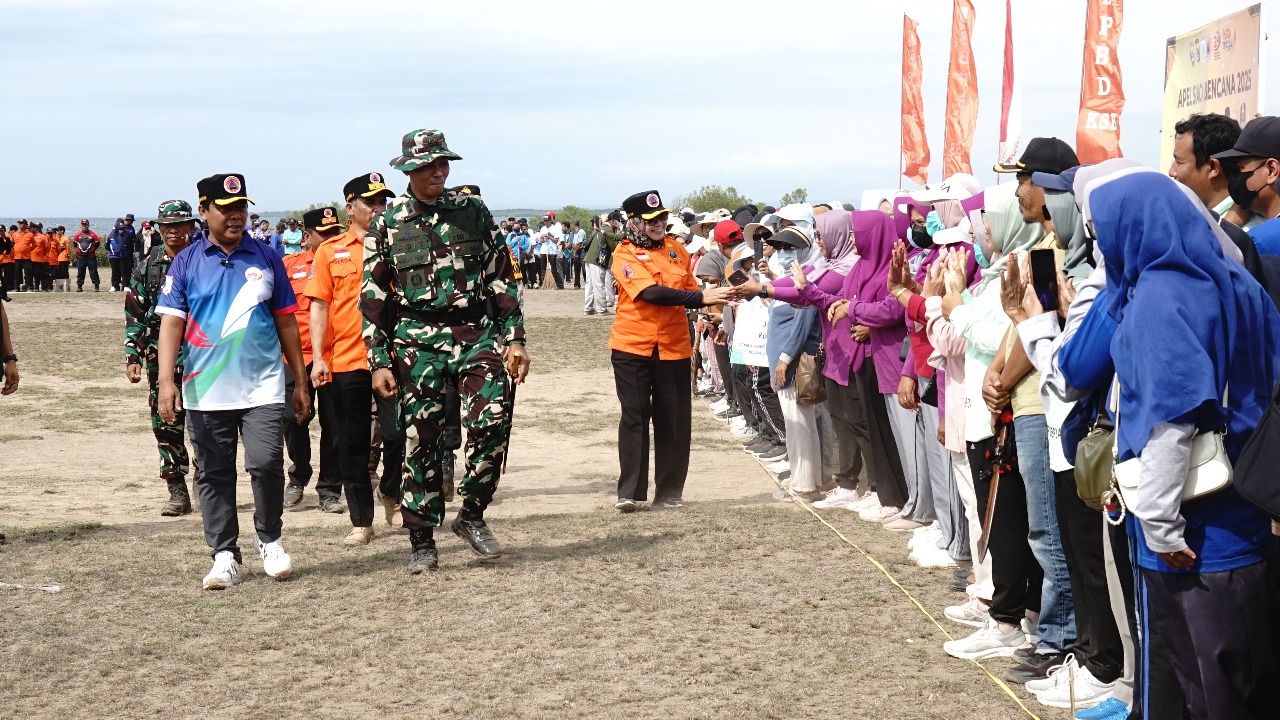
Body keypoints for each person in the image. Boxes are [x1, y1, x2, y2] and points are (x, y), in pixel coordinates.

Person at [1091, 171, 1280, 718]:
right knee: (1250, 685)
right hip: (1245, 511)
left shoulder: (1162, 297)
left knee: (1207, 688)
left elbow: (1171, 421)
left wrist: (1158, 523)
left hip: (1195, 535)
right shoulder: (1234, 279)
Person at [362, 128, 530, 573]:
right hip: (416, 341)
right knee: (422, 440)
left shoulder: (472, 211)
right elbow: (373, 294)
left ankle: (472, 513)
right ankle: (421, 538)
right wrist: (378, 361)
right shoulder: (388, 221)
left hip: (476, 333)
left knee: (493, 421)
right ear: (408, 169)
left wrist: (515, 338)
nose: (438, 172)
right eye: (428, 165)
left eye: (443, 163)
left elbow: (501, 275)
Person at [155, 173, 311, 590]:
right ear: (204, 211)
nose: (236, 215)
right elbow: (171, 324)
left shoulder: (267, 257)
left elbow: (287, 322)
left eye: (241, 207)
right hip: (206, 388)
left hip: (263, 385)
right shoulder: (186, 261)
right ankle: (224, 555)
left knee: (266, 462)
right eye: (225, 209)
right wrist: (166, 380)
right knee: (214, 473)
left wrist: (300, 380)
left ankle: (270, 540)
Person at [609, 190, 736, 512]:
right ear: (635, 221)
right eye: (651, 220)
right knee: (635, 416)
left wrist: (716, 306)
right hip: (633, 346)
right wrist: (700, 299)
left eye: (663, 218)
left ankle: (669, 492)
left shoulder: (676, 249)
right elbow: (650, 293)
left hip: (674, 346)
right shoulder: (624, 253)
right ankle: (629, 492)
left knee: (674, 419)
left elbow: (691, 291)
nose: (659, 224)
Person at [307, 175, 397, 545]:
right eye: (370, 202)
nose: (378, 209)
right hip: (345, 359)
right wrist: (318, 358)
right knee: (352, 444)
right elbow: (319, 306)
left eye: (382, 202)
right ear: (350, 207)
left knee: (399, 435)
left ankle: (390, 488)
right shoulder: (330, 251)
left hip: (392, 358)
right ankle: (362, 521)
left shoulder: (398, 244)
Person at [124, 200, 201, 516]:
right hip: (161, 360)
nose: (173, 231)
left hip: (202, 358)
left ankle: (205, 487)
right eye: (166, 226)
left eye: (179, 225)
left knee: (206, 425)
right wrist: (133, 355)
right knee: (166, 423)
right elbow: (135, 313)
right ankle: (177, 491)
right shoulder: (147, 267)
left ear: (191, 227)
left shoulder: (205, 261)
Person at [280, 209, 342, 514]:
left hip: (334, 357)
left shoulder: (345, 264)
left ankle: (329, 489)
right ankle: (298, 475)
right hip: (294, 357)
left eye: (335, 233)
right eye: (324, 234)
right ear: (307, 237)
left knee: (334, 424)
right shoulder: (288, 266)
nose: (331, 239)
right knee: (292, 419)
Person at [1212, 115, 1280, 254]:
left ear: (1271, 170)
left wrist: (1228, 224)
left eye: (1240, 168)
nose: (1235, 176)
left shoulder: (1262, 240)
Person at [583, 214, 620, 315]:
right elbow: (615, 247)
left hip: (589, 258)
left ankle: (588, 308)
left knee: (590, 285)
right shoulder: (608, 229)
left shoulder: (600, 228)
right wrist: (618, 233)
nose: (619, 223)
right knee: (599, 284)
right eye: (618, 221)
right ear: (613, 221)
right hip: (598, 260)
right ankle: (601, 309)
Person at [72, 219, 101, 292]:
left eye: (85, 224)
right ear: (81, 225)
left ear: (88, 225)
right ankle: (79, 286)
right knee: (80, 272)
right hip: (81, 257)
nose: (84, 226)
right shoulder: (77, 234)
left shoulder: (93, 234)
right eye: (83, 224)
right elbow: (75, 244)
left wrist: (91, 250)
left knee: (93, 271)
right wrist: (80, 251)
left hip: (91, 257)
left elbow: (97, 244)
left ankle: (96, 286)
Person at [12, 220, 32, 292]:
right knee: (17, 272)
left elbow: (34, 245)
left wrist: (28, 250)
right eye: (19, 223)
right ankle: (17, 287)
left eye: (21, 223)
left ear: (26, 225)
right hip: (17, 257)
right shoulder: (15, 234)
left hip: (26, 257)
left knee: (27, 273)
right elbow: (12, 243)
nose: (20, 225)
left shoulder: (30, 234)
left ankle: (29, 287)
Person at [52, 227, 71, 292]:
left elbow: (68, 250)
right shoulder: (56, 238)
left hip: (64, 258)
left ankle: (66, 287)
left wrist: (69, 258)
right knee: (58, 273)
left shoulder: (65, 239)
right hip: (57, 258)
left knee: (64, 273)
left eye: (58, 230)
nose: (57, 232)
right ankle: (60, 288)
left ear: (62, 231)